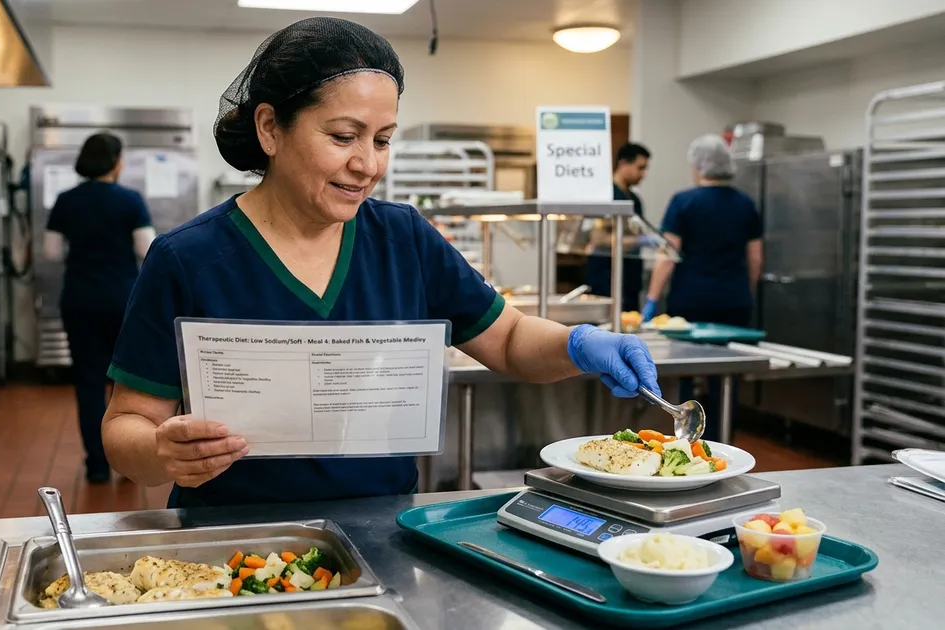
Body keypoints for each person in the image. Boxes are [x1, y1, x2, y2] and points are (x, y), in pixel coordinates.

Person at [100, 17, 662, 508]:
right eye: (344, 136)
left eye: (384, 139)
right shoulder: (189, 258)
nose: (368, 164)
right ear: (270, 128)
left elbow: (509, 339)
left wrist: (577, 345)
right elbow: (126, 426)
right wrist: (161, 452)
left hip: (382, 532)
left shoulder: (404, 238)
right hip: (234, 540)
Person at [44, 132, 156, 483]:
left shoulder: (66, 200)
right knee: (126, 382)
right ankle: (126, 460)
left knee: (88, 381)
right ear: (117, 162)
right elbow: (146, 249)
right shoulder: (130, 200)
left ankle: (96, 466)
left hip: (79, 299)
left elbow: (50, 252)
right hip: (124, 301)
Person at [642, 133, 763, 441]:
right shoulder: (746, 203)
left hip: (690, 302)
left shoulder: (684, 201)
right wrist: (743, 291)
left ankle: (686, 438)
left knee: (686, 370)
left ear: (698, 167)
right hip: (734, 302)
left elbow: (667, 255)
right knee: (728, 377)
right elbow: (755, 257)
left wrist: (652, 300)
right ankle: (725, 440)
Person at [584, 143, 652, 307]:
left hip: (629, 279)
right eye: (640, 167)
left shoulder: (634, 199)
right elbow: (599, 239)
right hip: (606, 278)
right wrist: (639, 241)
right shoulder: (603, 195)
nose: (643, 174)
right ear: (623, 164)